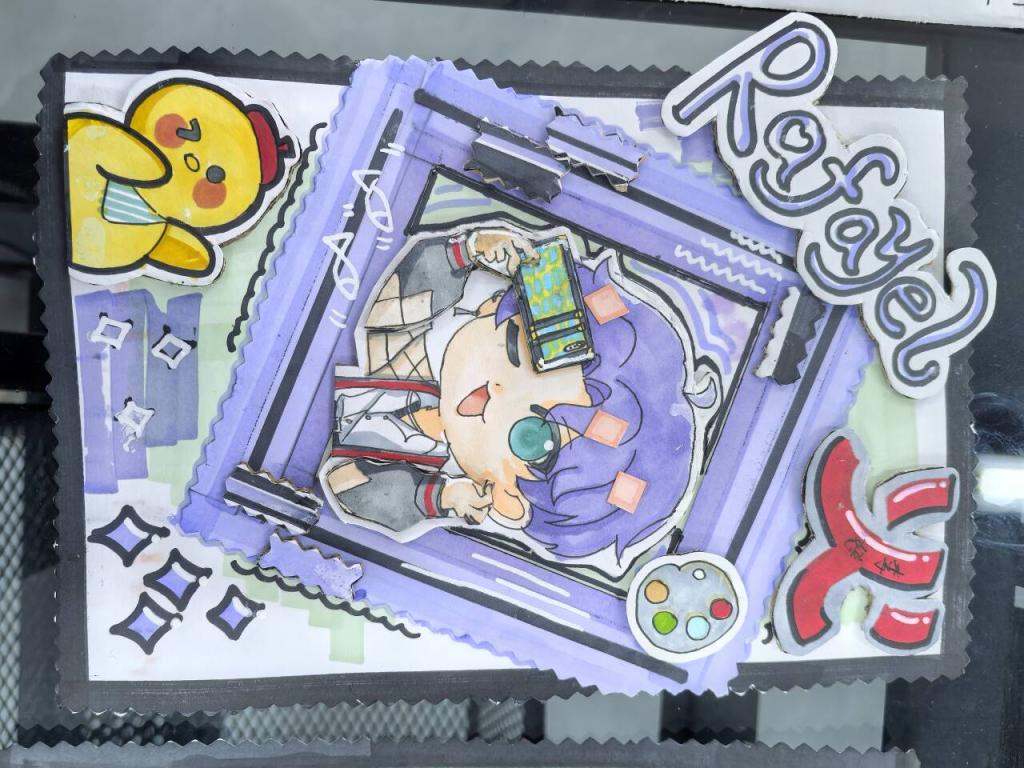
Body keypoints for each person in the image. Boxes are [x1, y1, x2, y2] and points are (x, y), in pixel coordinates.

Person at [320, 221, 719, 570]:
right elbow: (400, 293)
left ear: (508, 500)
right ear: (492, 304)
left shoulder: (426, 473)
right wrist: (469, 251)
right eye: (515, 347)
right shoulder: (419, 334)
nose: (497, 392)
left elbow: (348, 488)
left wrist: (439, 498)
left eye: (531, 436)